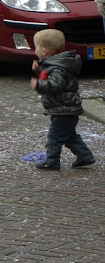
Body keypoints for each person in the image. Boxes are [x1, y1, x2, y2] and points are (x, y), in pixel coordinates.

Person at [30, 29, 95, 171]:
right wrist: (38, 71)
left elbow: (55, 85)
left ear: (44, 50)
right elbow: (49, 77)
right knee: (69, 136)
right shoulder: (56, 65)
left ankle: (52, 161)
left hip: (64, 110)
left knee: (54, 138)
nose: (35, 51)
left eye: (36, 47)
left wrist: (38, 85)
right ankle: (85, 156)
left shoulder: (58, 68)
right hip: (65, 108)